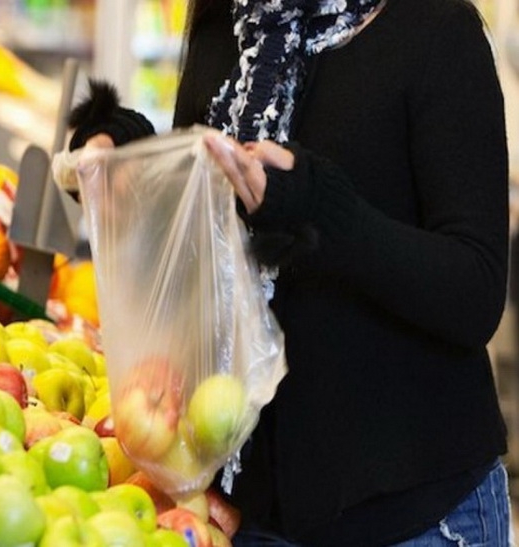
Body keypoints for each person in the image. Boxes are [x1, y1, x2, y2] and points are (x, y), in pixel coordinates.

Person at [64, 0, 515, 545]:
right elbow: (213, 220)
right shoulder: (225, 23)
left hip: (415, 517)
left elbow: (475, 291)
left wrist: (322, 208)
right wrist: (132, 158)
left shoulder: (436, 28)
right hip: (250, 509)